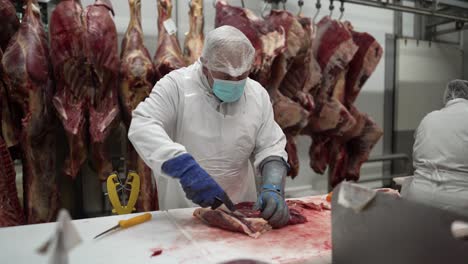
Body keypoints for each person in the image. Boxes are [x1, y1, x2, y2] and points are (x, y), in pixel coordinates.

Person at [128, 26, 290, 228]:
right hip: (183, 214)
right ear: (205, 66)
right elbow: (143, 124)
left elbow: (270, 145)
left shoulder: (256, 94)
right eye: (227, 77)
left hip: (243, 211)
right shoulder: (175, 86)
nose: (235, 83)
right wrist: (184, 168)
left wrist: (273, 186)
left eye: (242, 76)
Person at [403, 79, 468, 216]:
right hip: (460, 205)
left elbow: (415, 158)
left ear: (447, 96)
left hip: (420, 197)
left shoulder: (429, 118)